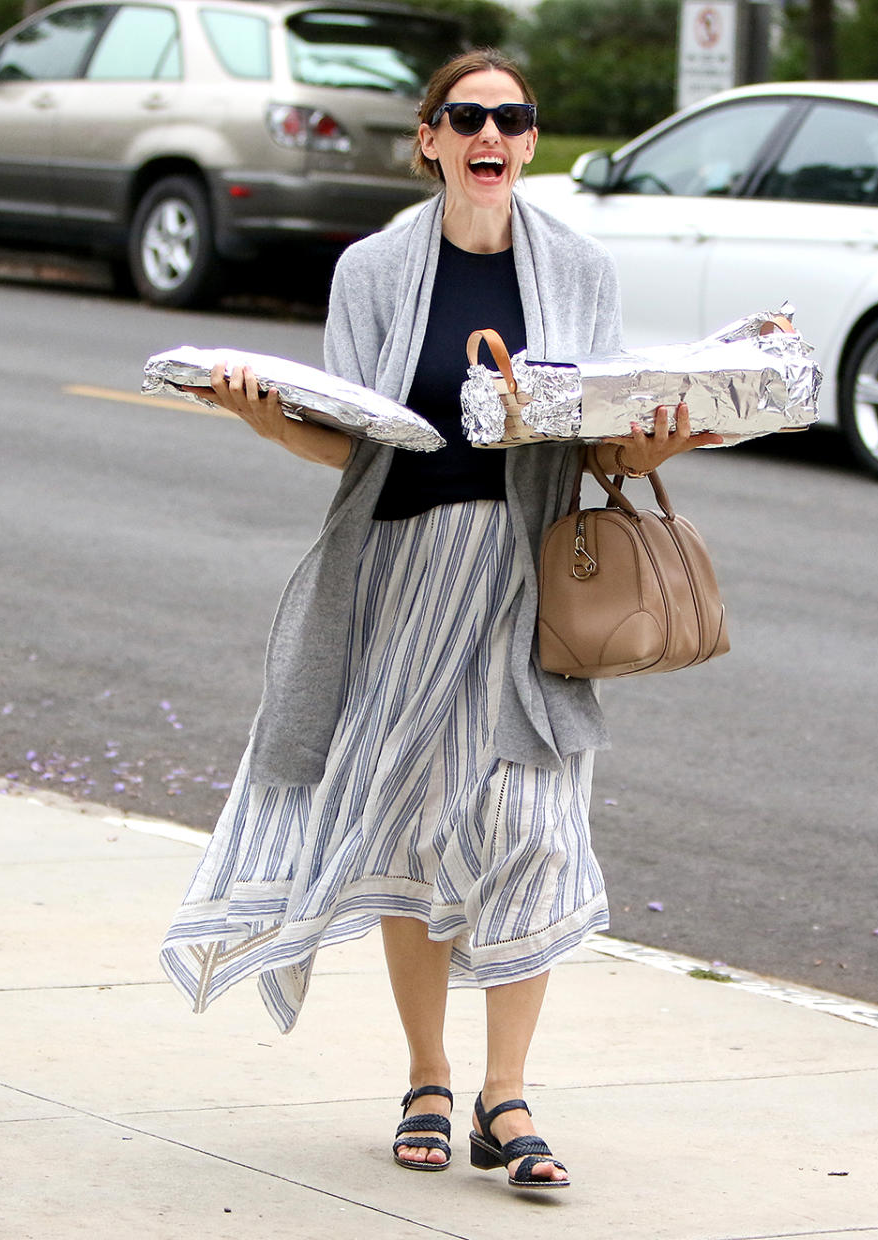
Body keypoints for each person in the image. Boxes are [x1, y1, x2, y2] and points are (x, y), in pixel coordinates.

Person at [160, 47, 720, 1191]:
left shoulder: (577, 268)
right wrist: (264, 418)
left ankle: (505, 1096)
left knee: (535, 820)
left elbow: (599, 431)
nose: (493, 135)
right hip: (406, 576)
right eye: (468, 116)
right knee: (414, 822)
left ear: (526, 140)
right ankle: (426, 1074)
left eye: (513, 119)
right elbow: (353, 429)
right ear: (430, 138)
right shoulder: (374, 270)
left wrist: (661, 437)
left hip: (530, 581)